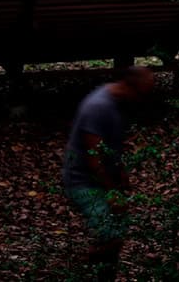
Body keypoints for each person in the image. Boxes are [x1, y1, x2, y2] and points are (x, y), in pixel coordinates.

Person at [63, 65, 157, 280]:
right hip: (82, 182)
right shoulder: (98, 107)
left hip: (104, 179)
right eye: (143, 94)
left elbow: (112, 147)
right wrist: (112, 191)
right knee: (110, 236)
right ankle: (83, 268)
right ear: (129, 87)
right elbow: (93, 158)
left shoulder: (119, 104)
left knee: (115, 236)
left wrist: (121, 173)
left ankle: (103, 272)